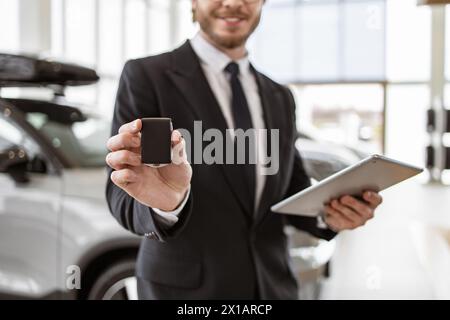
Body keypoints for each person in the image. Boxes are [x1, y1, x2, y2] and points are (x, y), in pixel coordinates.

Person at [105, 0, 383, 299]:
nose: (235, 3)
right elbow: (123, 196)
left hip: (272, 286)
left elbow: (291, 190)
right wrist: (165, 205)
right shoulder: (149, 77)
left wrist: (328, 216)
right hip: (188, 292)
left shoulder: (279, 96)